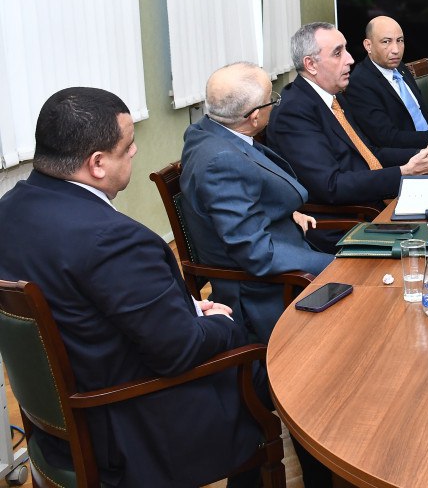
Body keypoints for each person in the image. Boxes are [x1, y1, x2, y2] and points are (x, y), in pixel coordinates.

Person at [0, 88, 263, 487]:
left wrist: (187, 310)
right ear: (97, 163)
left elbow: (83, 305)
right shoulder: (113, 240)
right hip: (128, 429)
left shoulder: (10, 210)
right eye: (128, 145)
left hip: (59, 421)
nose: (136, 151)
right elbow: (178, 352)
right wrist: (221, 323)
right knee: (262, 361)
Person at [180, 62, 334, 342]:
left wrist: (286, 212)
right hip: (263, 293)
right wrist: (333, 264)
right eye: (271, 99)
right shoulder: (221, 162)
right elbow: (257, 253)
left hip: (285, 251)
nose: (275, 104)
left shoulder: (208, 130)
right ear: (253, 117)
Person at [266, 22, 428, 208]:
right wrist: (404, 172)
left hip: (375, 195)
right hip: (355, 215)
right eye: (337, 53)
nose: (350, 59)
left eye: (346, 50)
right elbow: (331, 186)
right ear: (311, 64)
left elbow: (369, 152)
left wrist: (422, 153)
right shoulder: (293, 113)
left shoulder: (335, 97)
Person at [342, 15, 428, 150]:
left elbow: (425, 114)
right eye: (386, 42)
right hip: (410, 157)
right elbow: (388, 138)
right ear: (368, 45)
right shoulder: (359, 83)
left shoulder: (400, 67)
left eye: (400, 40)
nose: (396, 50)